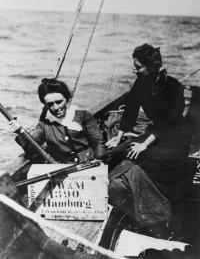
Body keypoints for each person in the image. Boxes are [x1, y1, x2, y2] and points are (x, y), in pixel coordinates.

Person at [106, 44, 194, 237]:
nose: (134, 70)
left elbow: (170, 121)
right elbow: (129, 111)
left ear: (153, 66)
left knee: (142, 162)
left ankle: (157, 215)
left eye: (138, 67)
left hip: (174, 138)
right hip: (155, 133)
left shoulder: (173, 87)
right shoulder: (141, 82)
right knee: (116, 154)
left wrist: (144, 144)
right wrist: (119, 138)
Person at [9, 78, 105, 163]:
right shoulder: (44, 125)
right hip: (63, 169)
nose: (56, 107)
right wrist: (20, 133)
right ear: (45, 105)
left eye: (59, 102)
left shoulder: (83, 116)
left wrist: (100, 161)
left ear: (67, 100)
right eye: (50, 104)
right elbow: (32, 148)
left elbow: (98, 142)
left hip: (90, 162)